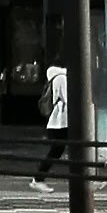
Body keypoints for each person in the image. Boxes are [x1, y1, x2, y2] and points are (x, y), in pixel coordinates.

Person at [32, 54, 71, 188]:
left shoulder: (56, 77)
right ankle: (38, 179)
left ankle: (38, 178)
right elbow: (67, 99)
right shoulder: (61, 78)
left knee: (58, 151)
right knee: (59, 150)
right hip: (62, 121)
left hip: (59, 121)